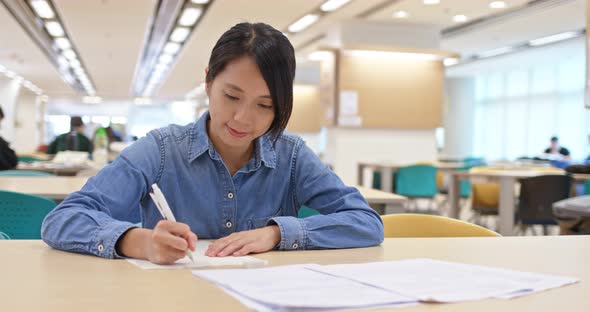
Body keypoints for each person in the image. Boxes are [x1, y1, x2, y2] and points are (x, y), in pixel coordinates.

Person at [42, 22, 383, 264]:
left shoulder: (291, 156)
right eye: (232, 96)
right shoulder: (160, 150)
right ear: (208, 81)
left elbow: (366, 222)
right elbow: (63, 219)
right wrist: (139, 242)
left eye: (265, 105)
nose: (242, 119)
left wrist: (277, 234)